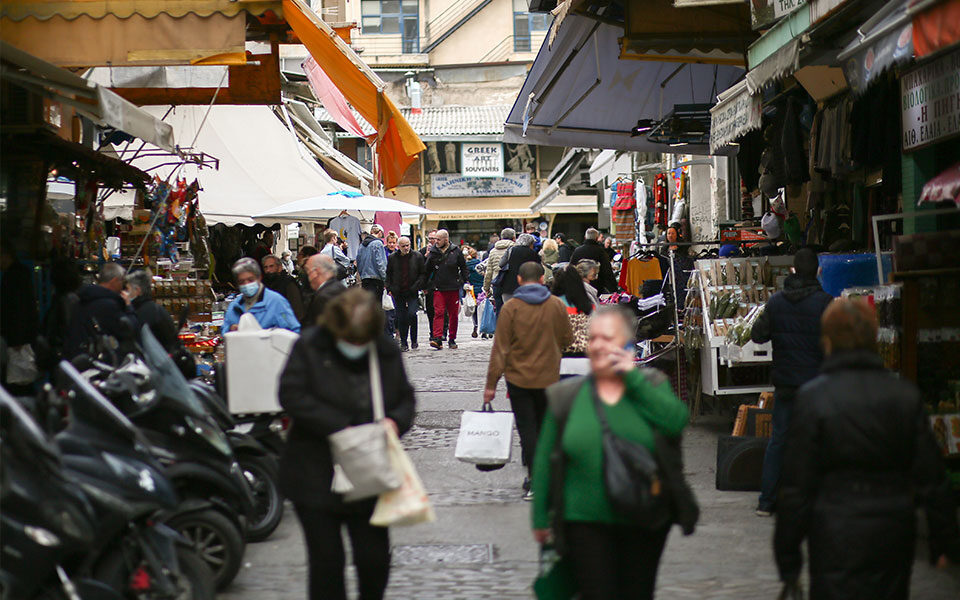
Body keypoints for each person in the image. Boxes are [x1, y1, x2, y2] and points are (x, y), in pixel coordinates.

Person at [774, 298, 960, 599]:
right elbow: (932, 478)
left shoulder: (813, 399)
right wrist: (946, 543)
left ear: (828, 342)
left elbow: (796, 487)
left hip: (834, 532)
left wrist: (788, 558)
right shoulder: (904, 396)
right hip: (892, 532)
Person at [530, 305, 691, 600]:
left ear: (627, 344)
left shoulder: (651, 386)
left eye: (608, 338)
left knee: (637, 592)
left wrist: (632, 378)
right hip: (583, 519)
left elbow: (676, 421)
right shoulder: (566, 396)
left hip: (644, 517)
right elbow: (545, 457)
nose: (599, 345)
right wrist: (540, 515)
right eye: (593, 339)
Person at [278, 288, 416, 600]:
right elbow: (291, 395)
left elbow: (405, 398)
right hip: (315, 470)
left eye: (361, 340)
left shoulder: (383, 349)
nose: (355, 346)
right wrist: (339, 427)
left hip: (368, 470)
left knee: (374, 559)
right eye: (349, 339)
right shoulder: (310, 346)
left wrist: (395, 421)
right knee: (327, 562)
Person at [750, 247, 832, 516]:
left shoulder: (776, 302)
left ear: (793, 271)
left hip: (785, 382)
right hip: (816, 384)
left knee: (779, 440)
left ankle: (767, 501)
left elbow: (758, 335)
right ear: (817, 271)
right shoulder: (826, 304)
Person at [484, 262, 573, 499]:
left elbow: (500, 349)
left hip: (518, 379)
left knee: (528, 431)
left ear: (520, 280)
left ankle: (535, 480)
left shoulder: (511, 308)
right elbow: (567, 338)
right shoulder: (555, 305)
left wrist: (491, 385)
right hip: (549, 377)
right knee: (546, 428)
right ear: (543, 279)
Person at [63, 262, 138, 359]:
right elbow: (129, 329)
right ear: (114, 281)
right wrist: (128, 307)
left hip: (80, 358)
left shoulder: (83, 300)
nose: (123, 287)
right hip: (99, 363)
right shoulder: (109, 306)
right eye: (122, 282)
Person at [222, 258, 300, 333]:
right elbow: (224, 329)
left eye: (250, 280)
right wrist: (230, 329)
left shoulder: (276, 302)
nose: (246, 284)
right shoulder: (235, 306)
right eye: (242, 281)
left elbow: (293, 331)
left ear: (259, 278)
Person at [1, 239, 39, 392]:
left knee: (18, 380)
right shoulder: (17, 274)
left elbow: (19, 308)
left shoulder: (14, 276)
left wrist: (17, 338)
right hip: (19, 337)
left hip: (17, 339)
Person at [424, 229, 468, 350]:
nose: (436, 242)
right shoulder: (433, 252)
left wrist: (465, 281)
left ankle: (452, 338)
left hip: (453, 287)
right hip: (438, 287)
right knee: (438, 312)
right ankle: (438, 338)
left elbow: (463, 267)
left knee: (453, 314)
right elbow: (427, 270)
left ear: (446, 239)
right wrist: (425, 286)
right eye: (435, 239)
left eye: (438, 239)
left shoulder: (456, 251)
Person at [123, 269, 179, 351]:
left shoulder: (144, 312)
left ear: (138, 291)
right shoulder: (154, 308)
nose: (125, 293)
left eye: (127, 289)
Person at [386, 236, 425, 352]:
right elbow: (388, 273)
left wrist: (417, 286)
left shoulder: (417, 256)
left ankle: (414, 340)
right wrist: (390, 287)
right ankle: (404, 342)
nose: (406, 248)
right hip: (398, 291)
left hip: (412, 290)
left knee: (412, 314)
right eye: (403, 246)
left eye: (408, 245)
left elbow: (422, 273)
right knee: (401, 317)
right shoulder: (393, 258)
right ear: (399, 247)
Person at [303, 254, 347, 327]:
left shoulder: (324, 297)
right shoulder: (339, 288)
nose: (307, 276)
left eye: (308, 271)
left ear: (316, 272)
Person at [570, 228, 618, 294]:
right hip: (598, 288)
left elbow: (571, 269)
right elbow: (607, 271)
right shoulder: (601, 252)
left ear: (585, 237)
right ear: (596, 238)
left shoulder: (577, 251)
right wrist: (614, 289)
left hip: (580, 288)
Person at [262, 254, 306, 324]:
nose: (268, 270)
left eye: (271, 266)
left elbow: (297, 309)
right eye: (265, 267)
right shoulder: (264, 284)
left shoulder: (288, 283)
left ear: (279, 267)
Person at [499, 234, 541, 305]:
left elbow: (501, 264)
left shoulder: (511, 250)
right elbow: (539, 269)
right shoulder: (533, 254)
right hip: (527, 288)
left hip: (508, 286)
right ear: (530, 243)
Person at [482, 227, 516, 301]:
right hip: (512, 285)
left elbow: (489, 272)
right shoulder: (516, 249)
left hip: (497, 283)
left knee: (499, 310)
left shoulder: (493, 251)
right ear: (514, 238)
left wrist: (486, 287)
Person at [357, 225, 388, 301]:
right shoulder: (378, 243)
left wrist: (362, 276)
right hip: (376, 280)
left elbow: (359, 262)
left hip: (365, 279)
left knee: (368, 306)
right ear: (380, 232)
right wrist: (386, 279)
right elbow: (381, 263)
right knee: (376, 306)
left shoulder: (362, 245)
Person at [464, 247, 484, 338]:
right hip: (482, 289)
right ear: (476, 255)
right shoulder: (481, 265)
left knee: (475, 310)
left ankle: (475, 325)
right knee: (483, 309)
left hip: (472, 290)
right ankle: (484, 328)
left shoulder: (466, 266)